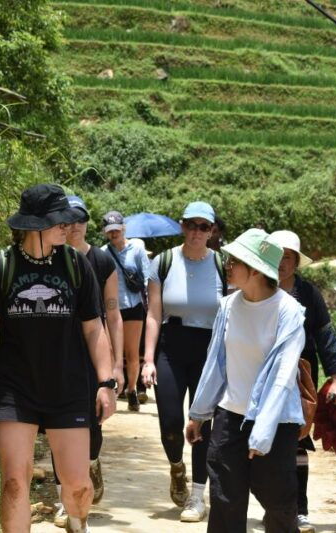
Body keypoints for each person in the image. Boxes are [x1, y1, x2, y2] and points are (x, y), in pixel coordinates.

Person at [0, 184, 117, 533]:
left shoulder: (77, 265)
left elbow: (95, 330)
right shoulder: (0, 267)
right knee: (15, 482)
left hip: (69, 386)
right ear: (35, 225)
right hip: (16, 389)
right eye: (59, 221)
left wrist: (106, 383)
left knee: (78, 487)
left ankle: (78, 525)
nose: (67, 227)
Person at [186, 228, 306, 533]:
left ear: (254, 269)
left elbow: (282, 378)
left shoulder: (289, 312)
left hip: (277, 422)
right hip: (230, 417)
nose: (227, 266)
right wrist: (199, 414)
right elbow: (216, 363)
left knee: (278, 503)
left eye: (233, 261)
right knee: (225, 499)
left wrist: (263, 431)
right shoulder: (227, 306)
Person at [142, 201, 226, 523]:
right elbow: (152, 314)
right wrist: (148, 360)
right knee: (170, 424)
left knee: (202, 425)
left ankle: (197, 496)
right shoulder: (164, 261)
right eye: (191, 225)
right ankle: (176, 465)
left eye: (203, 227)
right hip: (171, 348)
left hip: (208, 351)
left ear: (211, 231)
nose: (196, 232)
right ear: (182, 226)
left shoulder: (222, 264)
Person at [48, 195, 125, 528]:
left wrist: (117, 364)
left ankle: (91, 462)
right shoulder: (48, 260)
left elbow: (112, 314)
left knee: (91, 427)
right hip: (59, 355)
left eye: (80, 218)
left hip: (94, 351)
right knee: (56, 425)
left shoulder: (102, 262)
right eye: (69, 219)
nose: (74, 225)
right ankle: (63, 498)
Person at [269, 230, 336, 533]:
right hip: (262, 372)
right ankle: (274, 507)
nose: (281, 263)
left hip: (301, 374)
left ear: (295, 262)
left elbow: (326, 338)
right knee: (262, 439)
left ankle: (299, 510)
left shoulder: (309, 295)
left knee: (297, 441)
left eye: (287, 257)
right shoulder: (259, 288)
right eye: (276, 256)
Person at [102, 211, 151, 412]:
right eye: (110, 231)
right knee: (112, 352)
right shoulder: (103, 253)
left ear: (123, 229)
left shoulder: (137, 249)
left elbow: (147, 276)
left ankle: (131, 390)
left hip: (133, 306)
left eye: (116, 230)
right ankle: (113, 388)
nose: (114, 234)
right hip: (111, 308)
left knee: (132, 353)